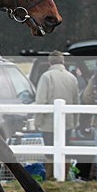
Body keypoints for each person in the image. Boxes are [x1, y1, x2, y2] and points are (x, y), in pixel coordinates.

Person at [33, 51, 80, 179]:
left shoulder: (46, 77)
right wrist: (75, 121)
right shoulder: (72, 78)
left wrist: (37, 121)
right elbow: (76, 102)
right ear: (63, 61)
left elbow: (41, 101)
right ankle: (65, 176)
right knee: (65, 150)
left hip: (49, 124)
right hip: (68, 123)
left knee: (50, 153)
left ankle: (50, 178)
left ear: (50, 62)